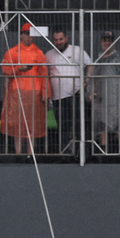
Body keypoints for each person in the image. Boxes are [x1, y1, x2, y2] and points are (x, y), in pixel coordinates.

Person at [0, 22, 50, 157]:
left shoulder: (38, 53)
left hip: (34, 91)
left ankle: (30, 153)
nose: (29, 37)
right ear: (21, 35)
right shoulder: (12, 52)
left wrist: (46, 93)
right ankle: (18, 153)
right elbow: (5, 69)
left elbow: (44, 74)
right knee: (18, 123)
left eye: (31, 35)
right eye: (26, 34)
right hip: (17, 92)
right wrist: (18, 69)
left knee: (32, 123)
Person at [44, 26, 91, 158]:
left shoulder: (76, 50)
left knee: (80, 126)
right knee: (63, 128)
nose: (59, 42)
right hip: (58, 98)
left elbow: (90, 64)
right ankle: (65, 154)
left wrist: (85, 83)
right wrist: (47, 96)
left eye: (61, 39)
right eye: (56, 40)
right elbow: (45, 75)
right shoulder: (48, 55)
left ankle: (82, 155)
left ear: (66, 38)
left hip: (76, 95)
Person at [88, 30, 120, 157]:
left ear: (114, 42)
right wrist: (91, 92)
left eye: (110, 40)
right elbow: (91, 79)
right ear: (101, 42)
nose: (107, 43)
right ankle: (104, 154)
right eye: (105, 40)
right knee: (102, 126)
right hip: (102, 100)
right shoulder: (97, 61)